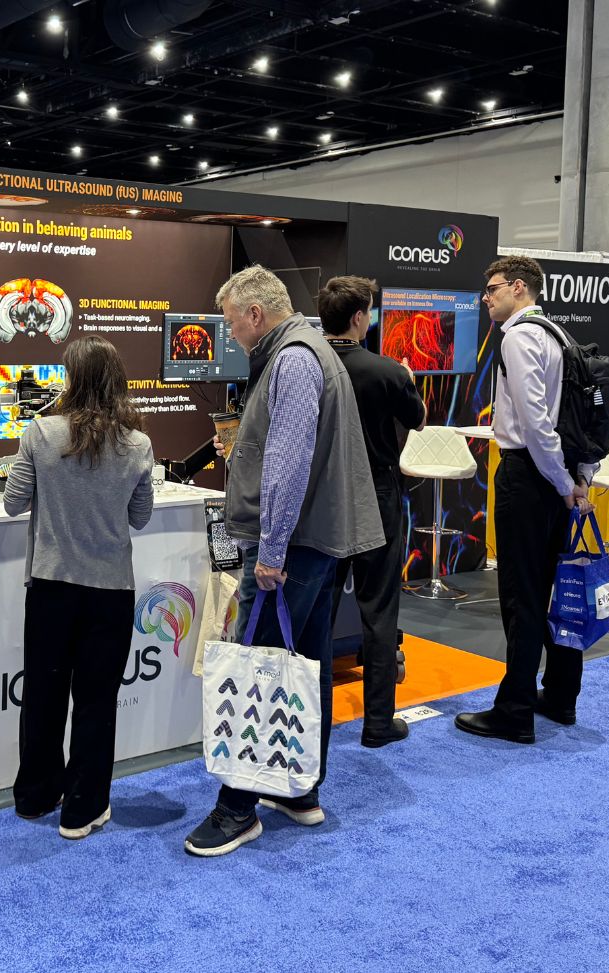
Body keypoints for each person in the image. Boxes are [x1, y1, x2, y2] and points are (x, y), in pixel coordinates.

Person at [184, 265, 384, 857]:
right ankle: (299, 788)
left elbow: (289, 464)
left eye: (230, 323)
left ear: (255, 314)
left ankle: (237, 808)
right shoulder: (305, 350)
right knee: (306, 663)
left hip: (292, 548)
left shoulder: (293, 359)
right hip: (312, 542)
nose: (229, 334)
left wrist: (271, 550)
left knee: (260, 666)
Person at [3, 335, 154, 840]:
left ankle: (35, 795)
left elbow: (12, 502)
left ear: (71, 379)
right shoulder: (137, 444)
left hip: (51, 587)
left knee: (43, 695)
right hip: (110, 591)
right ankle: (83, 808)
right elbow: (140, 517)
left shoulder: (41, 433)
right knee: (96, 701)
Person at [455, 255, 594, 745]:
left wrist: (561, 482)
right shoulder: (559, 335)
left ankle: (514, 711)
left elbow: (536, 423)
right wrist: (577, 480)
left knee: (523, 597)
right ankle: (559, 697)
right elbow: (580, 419)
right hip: (557, 477)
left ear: (518, 287)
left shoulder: (518, 336)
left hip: (530, 476)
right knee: (556, 590)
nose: (486, 298)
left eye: (492, 288)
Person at [318, 275, 426, 749]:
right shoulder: (387, 371)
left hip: (323, 498)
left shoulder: (306, 366)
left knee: (317, 613)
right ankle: (378, 723)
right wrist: (408, 381)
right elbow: (418, 419)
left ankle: (310, 721)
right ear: (359, 317)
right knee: (379, 611)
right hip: (378, 495)